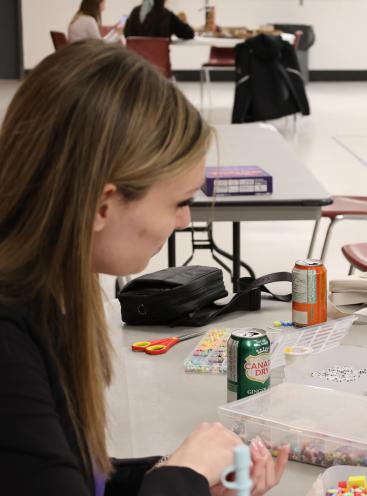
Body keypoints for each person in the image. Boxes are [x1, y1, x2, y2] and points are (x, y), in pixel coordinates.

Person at [0, 41, 288, 495]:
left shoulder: (43, 294)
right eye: (179, 202)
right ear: (102, 205)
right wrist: (182, 478)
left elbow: (69, 475)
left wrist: (175, 474)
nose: (185, 222)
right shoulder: (8, 343)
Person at [124, 0, 194, 40]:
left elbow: (126, 34)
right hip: (158, 63)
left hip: (136, 63)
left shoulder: (134, 13)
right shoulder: (167, 16)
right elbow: (189, 33)